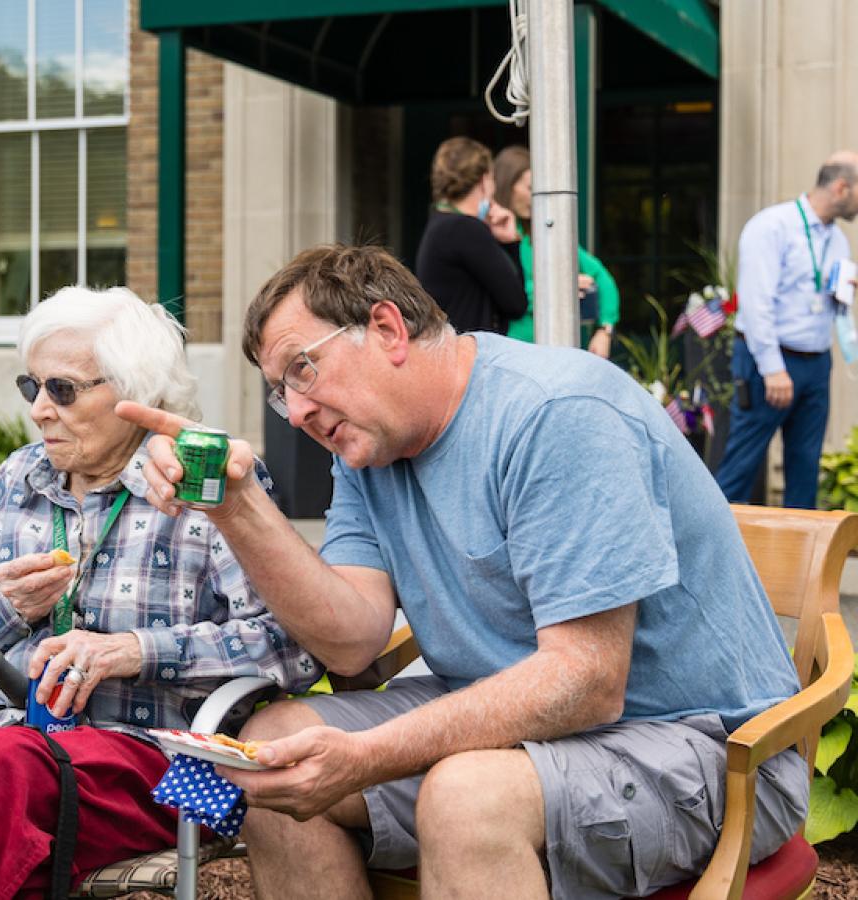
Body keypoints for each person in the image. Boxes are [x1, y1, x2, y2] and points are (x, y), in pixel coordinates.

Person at [117, 244, 807, 900]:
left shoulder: (555, 414)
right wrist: (238, 507)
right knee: (273, 755)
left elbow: (589, 681)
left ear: (387, 328)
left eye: (302, 370)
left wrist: (371, 756)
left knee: (467, 798)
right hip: (519, 728)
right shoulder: (370, 449)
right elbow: (352, 637)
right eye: (278, 392)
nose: (294, 412)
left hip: (707, 745)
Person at [0, 286, 317, 900]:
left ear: (136, 396)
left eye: (63, 389)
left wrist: (135, 651)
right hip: (7, 754)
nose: (39, 411)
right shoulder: (19, 479)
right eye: (31, 387)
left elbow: (292, 649)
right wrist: (10, 612)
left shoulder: (206, 483)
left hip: (165, 769)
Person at [714, 151, 858, 509]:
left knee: (804, 468)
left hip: (815, 364)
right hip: (769, 363)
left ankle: (800, 564)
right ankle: (708, 556)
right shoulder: (771, 226)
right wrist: (773, 368)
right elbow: (755, 303)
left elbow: (831, 303)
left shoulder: (838, 240)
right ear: (842, 188)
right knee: (741, 465)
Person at [493, 144, 621, 358]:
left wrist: (604, 330)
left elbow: (602, 277)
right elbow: (506, 293)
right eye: (530, 187)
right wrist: (562, 287)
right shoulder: (492, 236)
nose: (536, 195)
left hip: (558, 352)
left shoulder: (544, 233)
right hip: (513, 354)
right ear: (508, 186)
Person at [414, 136, 529, 334]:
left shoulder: (441, 224)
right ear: (484, 180)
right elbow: (516, 305)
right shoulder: (465, 229)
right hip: (471, 359)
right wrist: (512, 243)